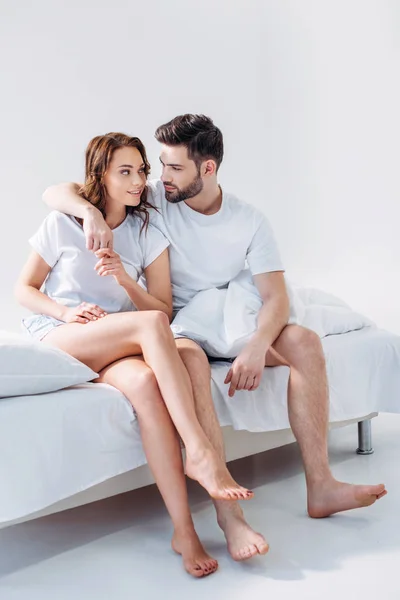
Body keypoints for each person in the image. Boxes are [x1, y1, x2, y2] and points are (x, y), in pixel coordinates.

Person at [42, 116, 387, 562]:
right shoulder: (152, 197)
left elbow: (275, 298)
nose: (159, 177)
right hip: (179, 326)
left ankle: (320, 486)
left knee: (305, 342)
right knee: (189, 359)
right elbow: (56, 192)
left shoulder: (249, 221)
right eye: (159, 166)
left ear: (207, 170)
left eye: (173, 167)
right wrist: (89, 212)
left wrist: (257, 346)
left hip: (229, 320)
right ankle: (231, 518)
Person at [15, 132, 257, 578]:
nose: (137, 180)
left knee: (146, 383)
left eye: (141, 170)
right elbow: (22, 289)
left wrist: (126, 281)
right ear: (100, 175)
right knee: (150, 328)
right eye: (124, 171)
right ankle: (200, 451)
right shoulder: (63, 222)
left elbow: (162, 307)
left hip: (116, 338)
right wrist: (65, 311)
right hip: (64, 335)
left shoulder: (147, 227)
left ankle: (183, 530)